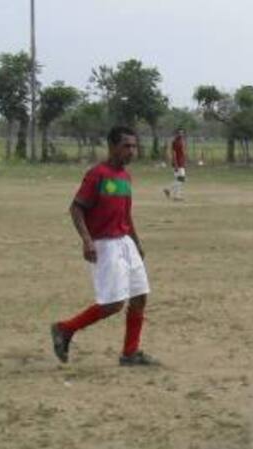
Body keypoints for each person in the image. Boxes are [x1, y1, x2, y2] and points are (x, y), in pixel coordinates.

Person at [50, 125, 157, 367]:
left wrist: (136, 242)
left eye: (134, 146)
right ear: (112, 146)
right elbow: (76, 208)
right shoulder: (97, 174)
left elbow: (126, 214)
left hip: (125, 242)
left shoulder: (125, 177)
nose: (131, 151)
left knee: (140, 296)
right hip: (105, 245)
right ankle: (65, 329)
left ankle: (130, 353)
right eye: (126, 146)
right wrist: (87, 240)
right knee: (113, 304)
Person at [163, 127, 186, 201]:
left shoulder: (182, 141)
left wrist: (184, 160)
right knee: (181, 179)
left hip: (181, 162)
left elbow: (182, 152)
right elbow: (174, 153)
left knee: (179, 180)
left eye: (182, 133)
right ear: (176, 134)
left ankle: (176, 196)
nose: (181, 134)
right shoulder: (175, 142)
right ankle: (169, 190)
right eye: (179, 133)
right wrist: (175, 164)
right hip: (177, 163)